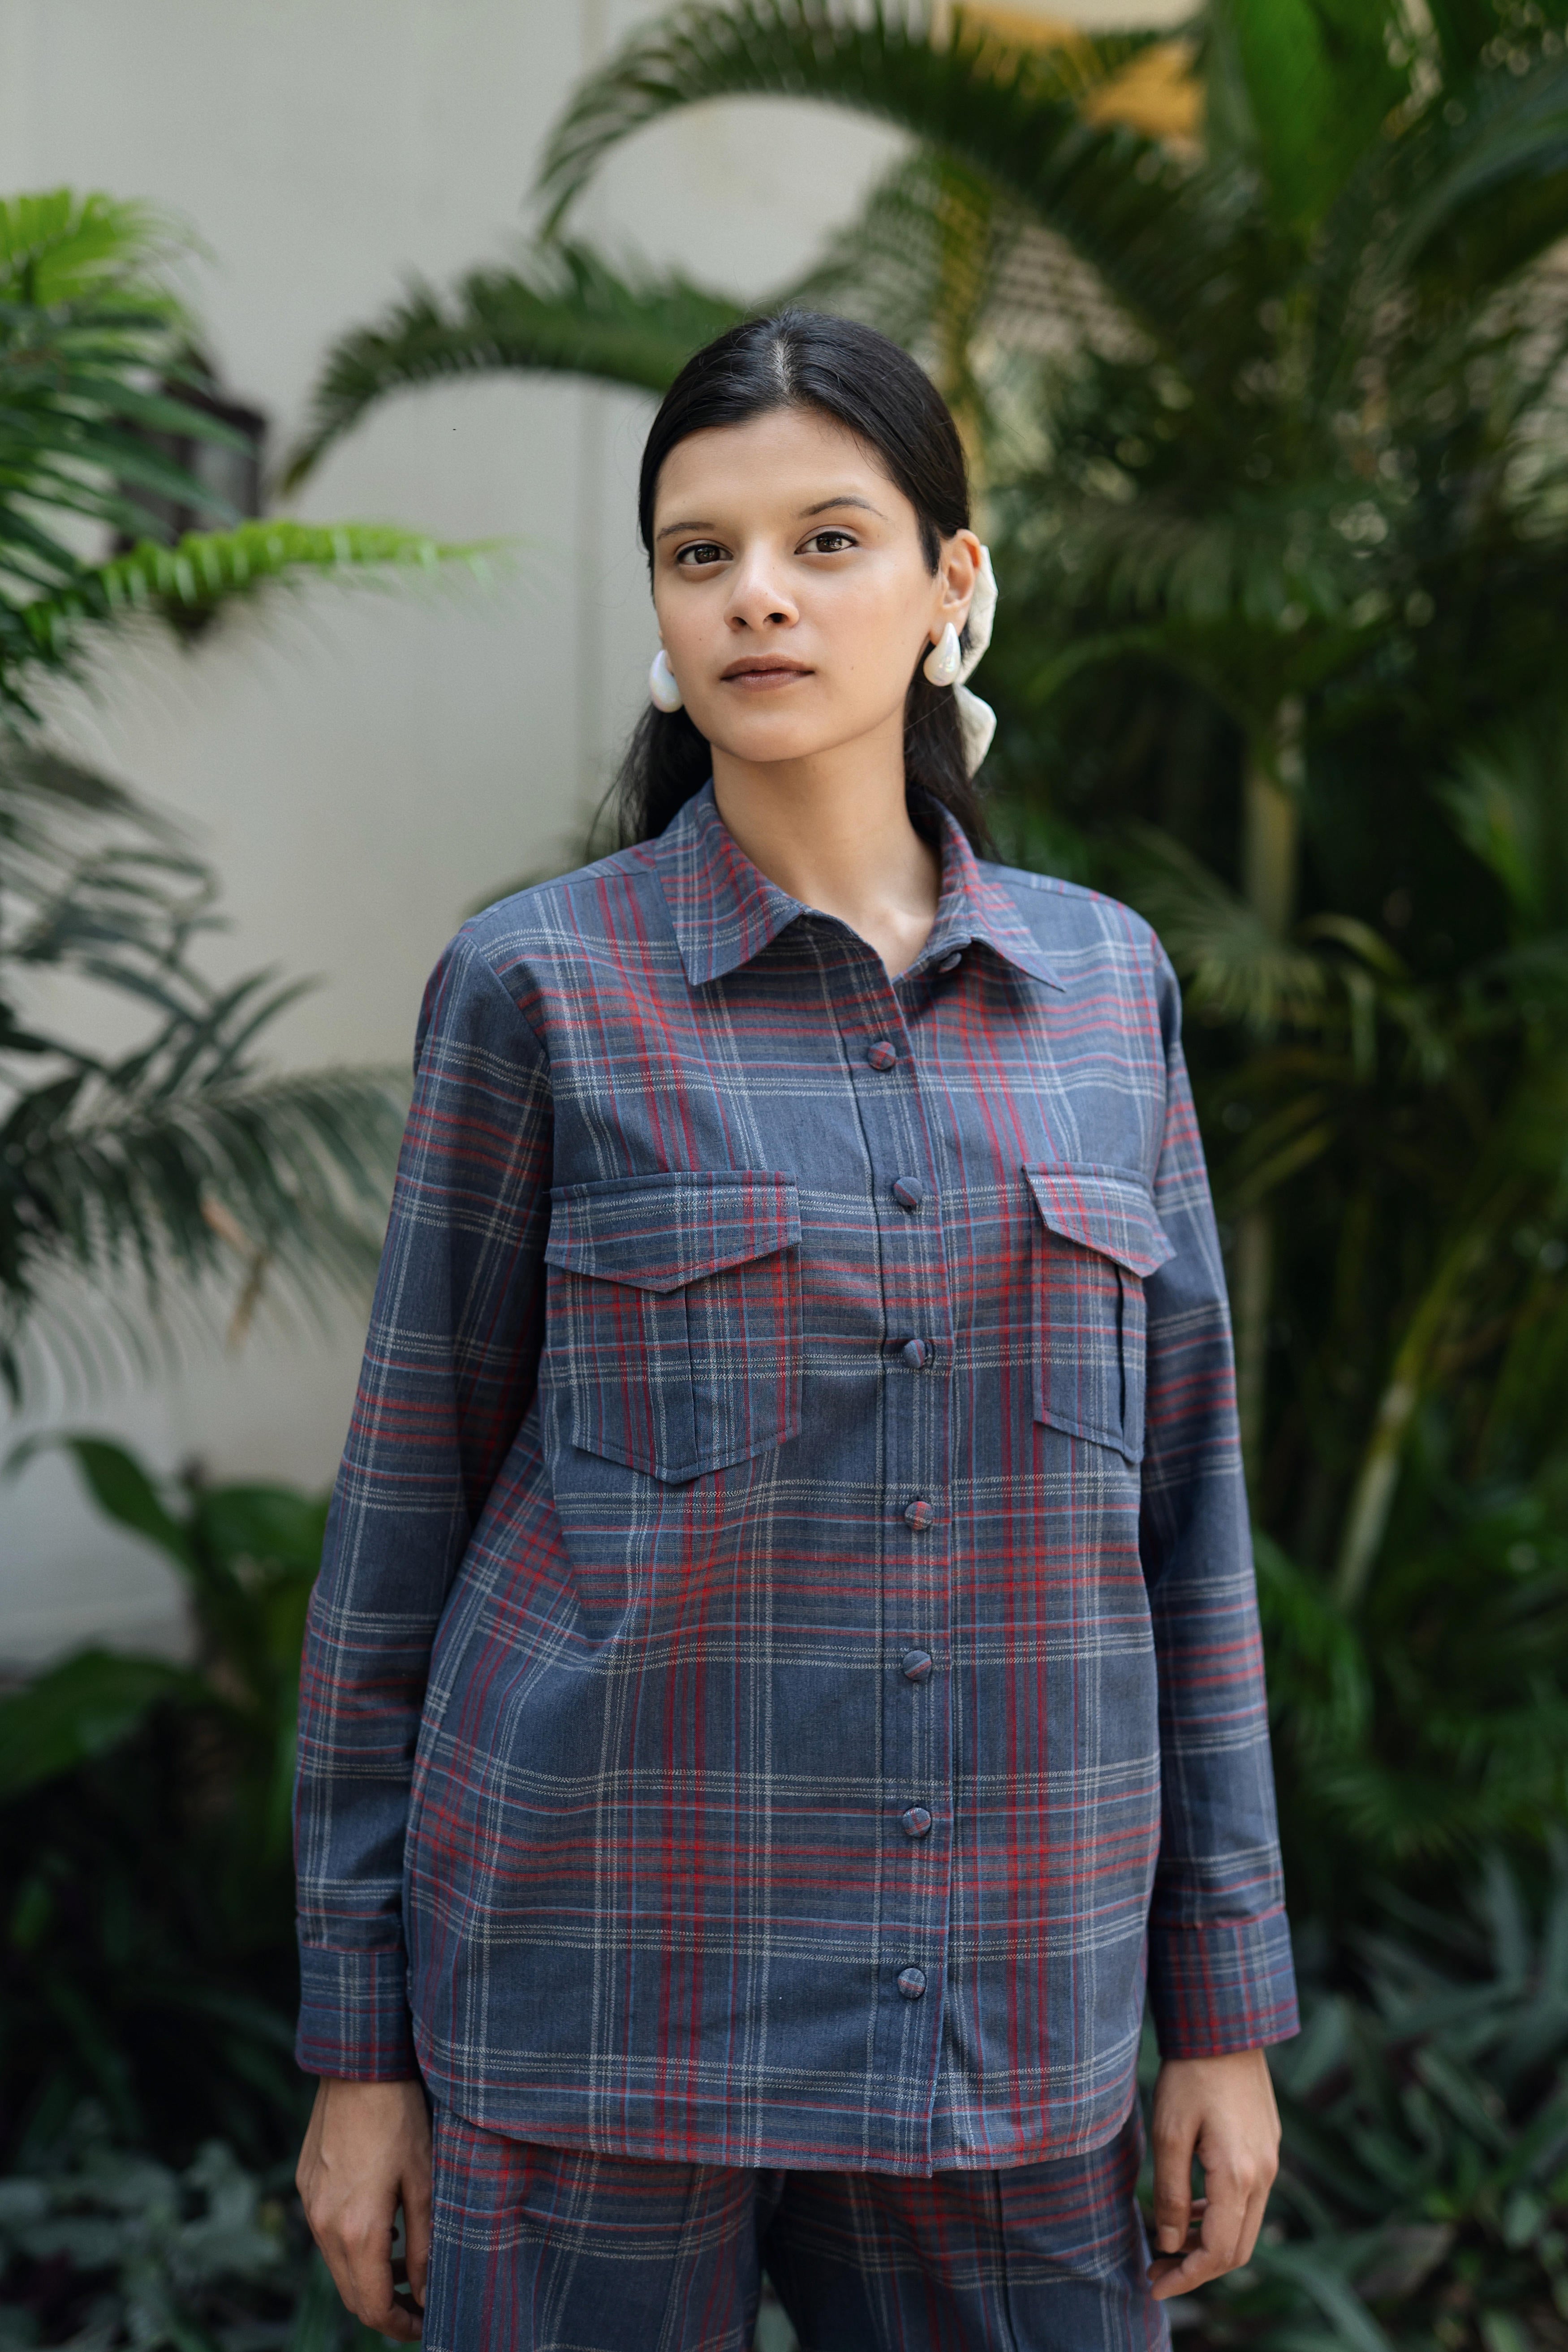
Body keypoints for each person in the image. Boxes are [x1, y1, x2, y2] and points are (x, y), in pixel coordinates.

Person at [293, 311, 1297, 2351]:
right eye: (700, 552)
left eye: (826, 539)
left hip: (1005, 2013)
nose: (756, 592)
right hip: (593, 1995)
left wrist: (1221, 2008)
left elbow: (1185, 1527)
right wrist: (358, 2049)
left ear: (950, 583)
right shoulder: (535, 989)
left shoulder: (1106, 993)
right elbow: (399, 1528)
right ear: (664, 615)